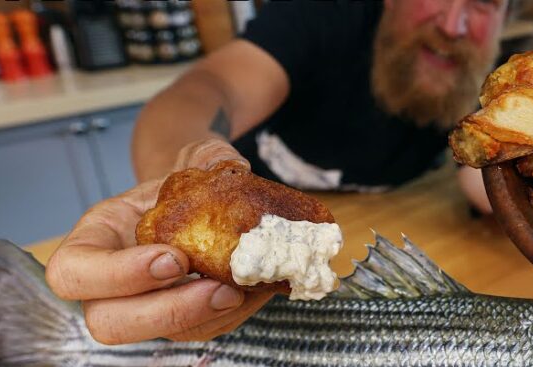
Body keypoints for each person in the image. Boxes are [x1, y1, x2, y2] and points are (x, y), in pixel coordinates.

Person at [44, 0, 508, 345]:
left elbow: (479, 182)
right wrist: (179, 190)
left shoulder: (484, 71)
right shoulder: (321, 15)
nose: (454, 24)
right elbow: (202, 91)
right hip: (230, 295)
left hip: (362, 287)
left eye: (485, 1)